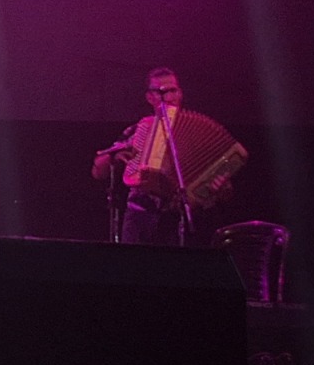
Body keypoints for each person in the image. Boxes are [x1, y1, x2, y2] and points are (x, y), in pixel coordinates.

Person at [91, 67, 235, 246]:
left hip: (181, 220)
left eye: (172, 90)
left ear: (180, 94)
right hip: (140, 218)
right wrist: (115, 157)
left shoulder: (199, 132)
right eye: (160, 92)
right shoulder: (138, 130)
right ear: (149, 97)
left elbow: (226, 191)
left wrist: (220, 187)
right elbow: (98, 171)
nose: (167, 96)